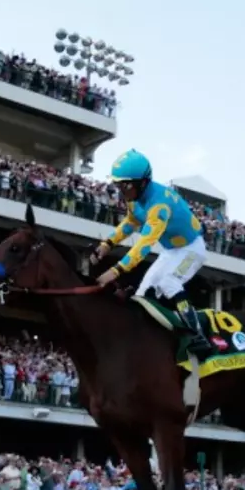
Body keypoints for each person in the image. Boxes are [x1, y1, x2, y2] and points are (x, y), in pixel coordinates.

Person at [90, 149, 211, 357]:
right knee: (141, 295)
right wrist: (108, 242)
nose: (121, 191)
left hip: (192, 248)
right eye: (118, 185)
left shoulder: (159, 206)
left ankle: (197, 334)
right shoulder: (134, 197)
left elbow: (144, 244)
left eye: (124, 185)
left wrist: (116, 270)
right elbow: (131, 222)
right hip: (172, 250)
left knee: (168, 282)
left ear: (142, 182)